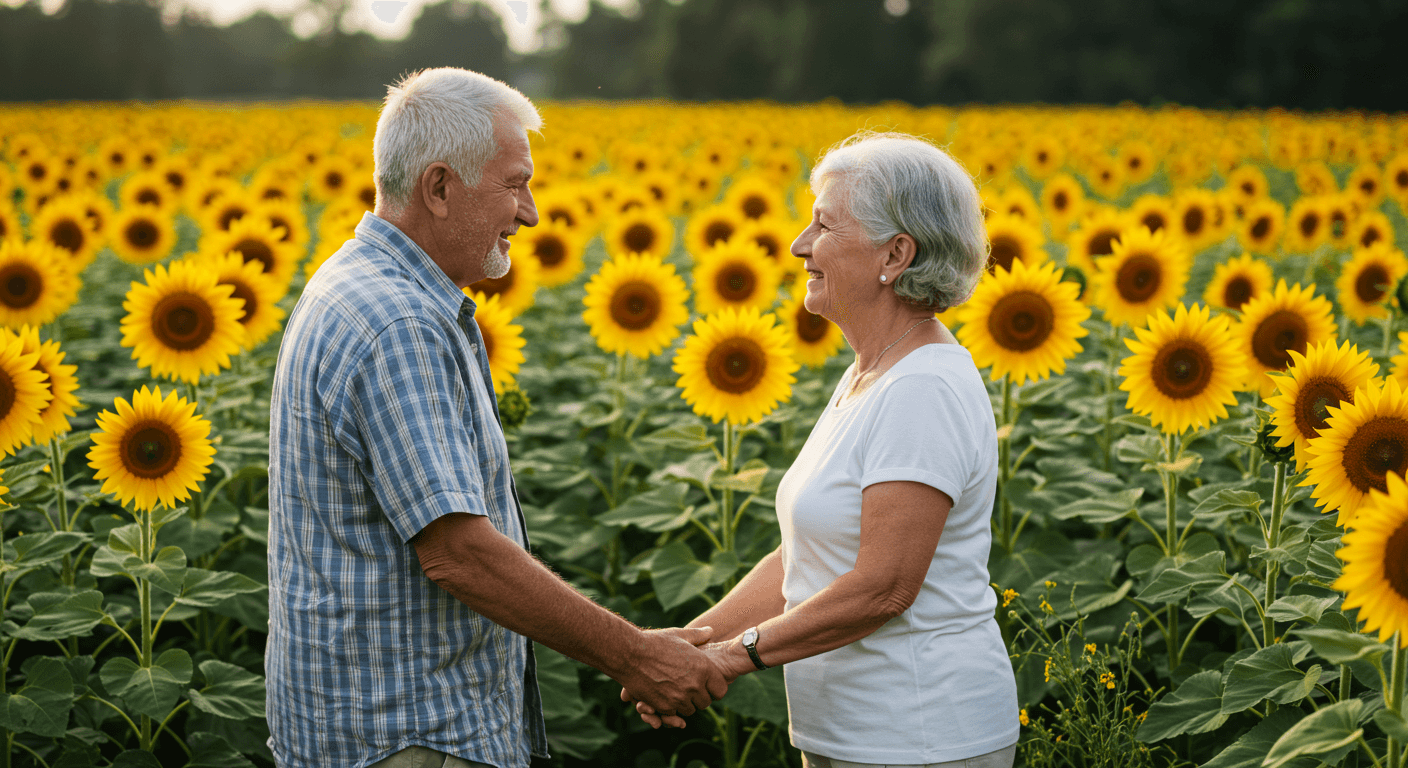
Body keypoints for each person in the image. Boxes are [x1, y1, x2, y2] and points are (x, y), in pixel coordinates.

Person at [266, 67, 727, 768]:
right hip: (408, 731)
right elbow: (459, 553)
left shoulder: (357, 281)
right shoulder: (400, 324)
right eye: (514, 185)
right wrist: (636, 656)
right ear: (440, 187)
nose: (531, 212)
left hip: (371, 718)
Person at [631, 132, 1020, 767]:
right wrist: (694, 644)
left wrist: (729, 658)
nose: (799, 244)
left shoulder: (922, 388)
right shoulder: (872, 374)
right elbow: (805, 559)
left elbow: (883, 586)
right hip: (853, 734)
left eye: (824, 225)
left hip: (920, 735)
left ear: (895, 254)